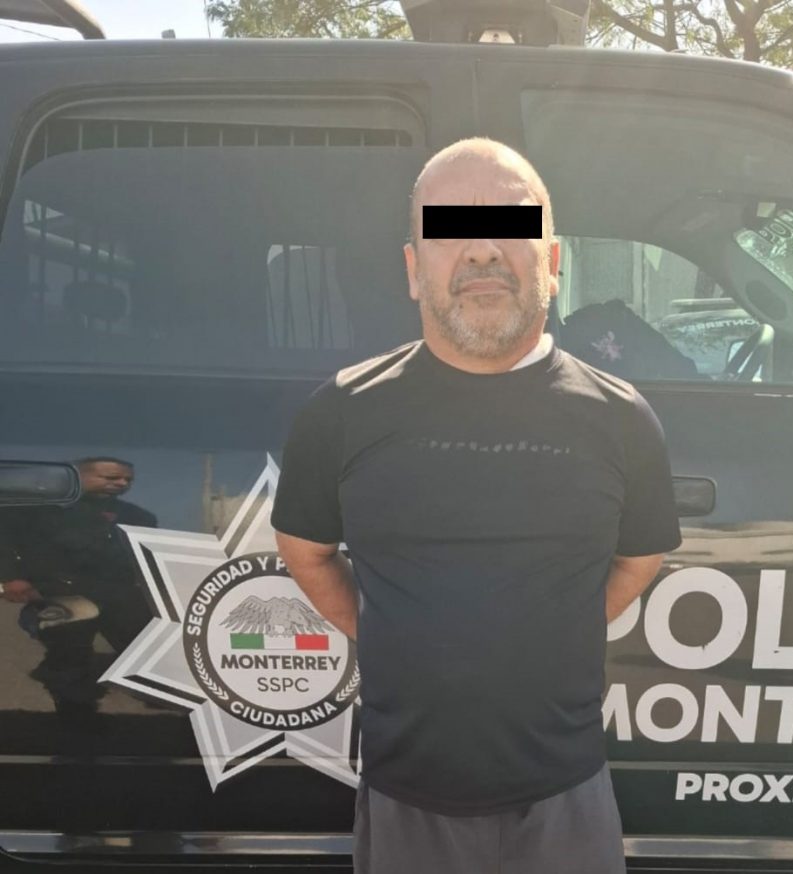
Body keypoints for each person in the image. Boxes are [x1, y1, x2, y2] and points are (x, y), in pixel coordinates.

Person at [271, 138, 681, 874]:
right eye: (450, 228)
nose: (484, 250)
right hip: (407, 803)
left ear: (552, 263)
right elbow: (306, 552)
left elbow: (638, 557)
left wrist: (550, 626)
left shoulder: (622, 419)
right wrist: (394, 628)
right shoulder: (341, 413)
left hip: (566, 800)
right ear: (412, 269)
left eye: (511, 228)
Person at [0, 457, 156, 722]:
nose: (121, 483)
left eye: (127, 480)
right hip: (57, 591)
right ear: (78, 477)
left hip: (121, 593)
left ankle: (161, 694)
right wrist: (10, 578)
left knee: (148, 644)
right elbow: (5, 543)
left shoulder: (140, 517)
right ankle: (74, 709)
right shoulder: (38, 511)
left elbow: (151, 557)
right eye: (110, 477)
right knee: (70, 648)